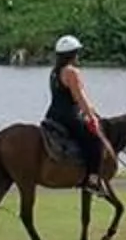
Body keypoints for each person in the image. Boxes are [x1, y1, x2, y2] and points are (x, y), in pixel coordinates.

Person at [47, 34, 111, 182]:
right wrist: (92, 117)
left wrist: (90, 111)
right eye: (77, 52)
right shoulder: (71, 72)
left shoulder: (54, 72)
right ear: (72, 54)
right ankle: (93, 179)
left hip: (52, 115)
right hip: (69, 117)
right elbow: (79, 97)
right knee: (96, 140)